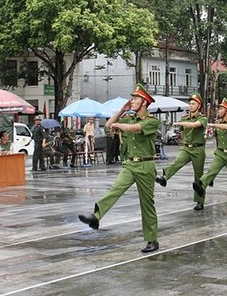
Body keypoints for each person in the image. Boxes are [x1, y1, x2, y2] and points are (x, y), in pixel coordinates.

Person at [78, 84, 161, 253]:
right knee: (115, 189)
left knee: (147, 204)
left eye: (136, 98)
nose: (132, 101)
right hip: (130, 164)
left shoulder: (152, 121)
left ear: (144, 102)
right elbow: (109, 124)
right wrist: (122, 110)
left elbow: (132, 129)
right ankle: (96, 217)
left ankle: (152, 239)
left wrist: (119, 126)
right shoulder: (128, 117)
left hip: (146, 165)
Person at [155, 93, 207, 210]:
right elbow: (183, 132)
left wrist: (179, 123)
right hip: (187, 148)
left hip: (198, 149)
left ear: (199, 106)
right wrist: (183, 142)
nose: (191, 106)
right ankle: (164, 177)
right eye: (190, 104)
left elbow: (194, 125)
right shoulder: (185, 118)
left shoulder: (202, 118)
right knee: (177, 162)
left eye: (193, 104)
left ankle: (199, 201)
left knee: (198, 175)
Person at [193, 98, 227, 213]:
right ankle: (201, 185)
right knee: (212, 170)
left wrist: (212, 125)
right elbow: (217, 139)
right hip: (221, 152)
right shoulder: (218, 123)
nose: (218, 111)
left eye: (221, 109)